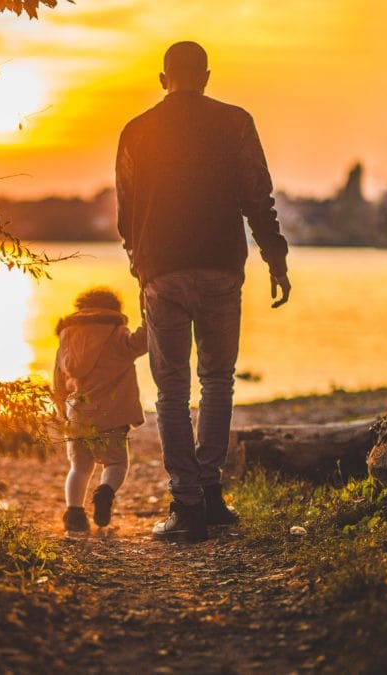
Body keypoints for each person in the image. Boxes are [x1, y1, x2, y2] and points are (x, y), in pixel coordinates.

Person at [116, 41, 291, 542]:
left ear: (162, 78)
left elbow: (127, 212)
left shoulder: (136, 130)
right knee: (218, 380)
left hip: (162, 272)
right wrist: (274, 257)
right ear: (207, 76)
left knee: (171, 390)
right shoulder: (235, 122)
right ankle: (210, 494)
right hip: (219, 266)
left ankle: (187, 504)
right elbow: (258, 196)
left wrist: (139, 265)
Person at [53, 287, 148, 533]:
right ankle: (105, 492)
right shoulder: (117, 334)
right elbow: (144, 341)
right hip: (112, 416)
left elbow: (57, 381)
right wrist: (149, 312)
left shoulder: (66, 337)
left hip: (77, 416)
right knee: (116, 463)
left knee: (79, 468)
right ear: (113, 310)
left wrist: (62, 412)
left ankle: (74, 514)